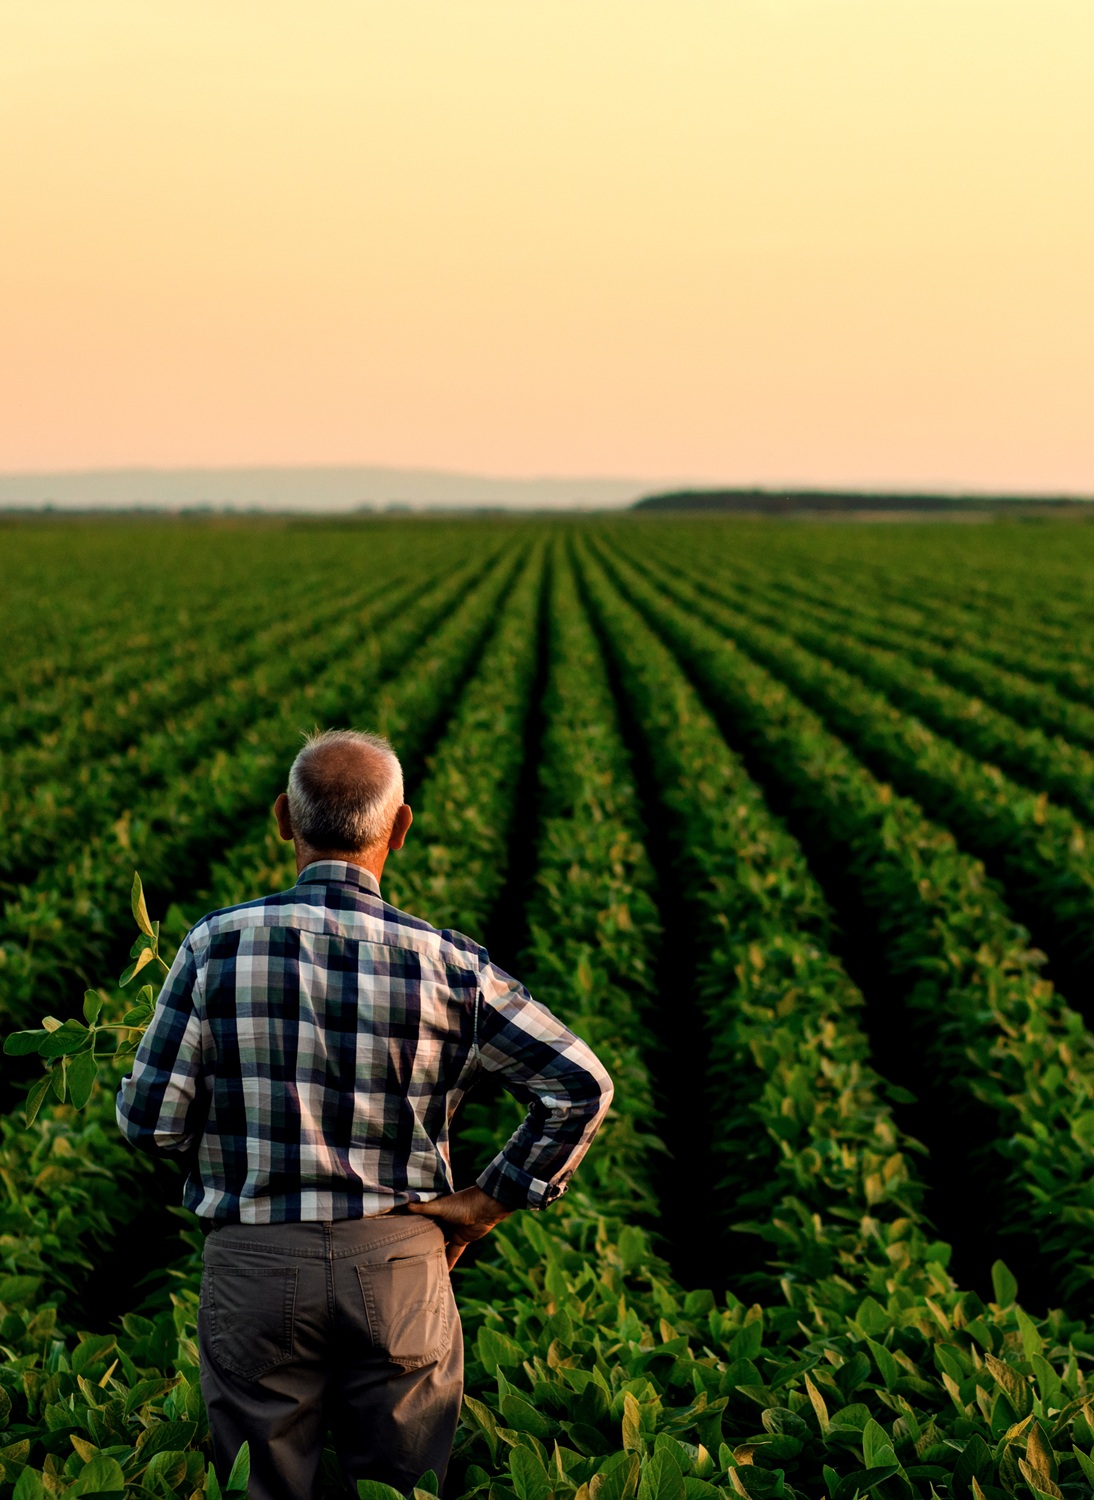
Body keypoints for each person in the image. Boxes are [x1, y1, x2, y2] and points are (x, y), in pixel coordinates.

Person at [116, 728, 614, 1500]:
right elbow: (581, 1086)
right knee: (401, 1490)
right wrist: (484, 1204)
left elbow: (150, 1122)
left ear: (284, 817)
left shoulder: (215, 945)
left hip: (256, 1259)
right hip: (401, 1263)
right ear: (401, 826)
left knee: (265, 1491)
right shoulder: (449, 963)